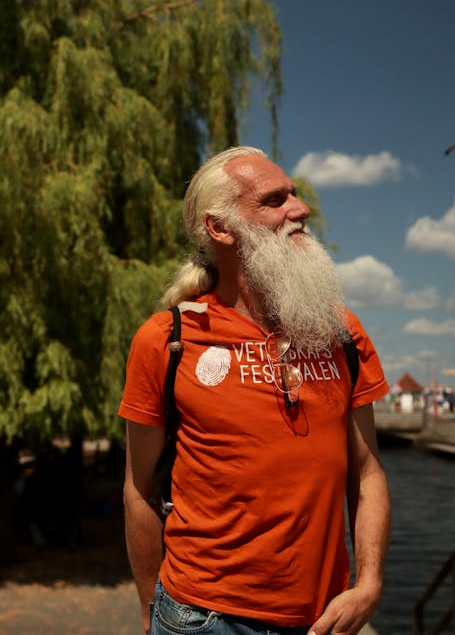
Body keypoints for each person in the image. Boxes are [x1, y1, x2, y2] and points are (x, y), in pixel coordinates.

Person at [119, 146, 391, 635]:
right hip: (201, 618)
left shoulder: (341, 334)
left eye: (295, 193)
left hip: (321, 618)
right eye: (274, 200)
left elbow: (367, 471)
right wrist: (149, 614)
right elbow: (139, 489)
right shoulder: (167, 340)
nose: (300, 209)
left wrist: (369, 585)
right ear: (220, 229)